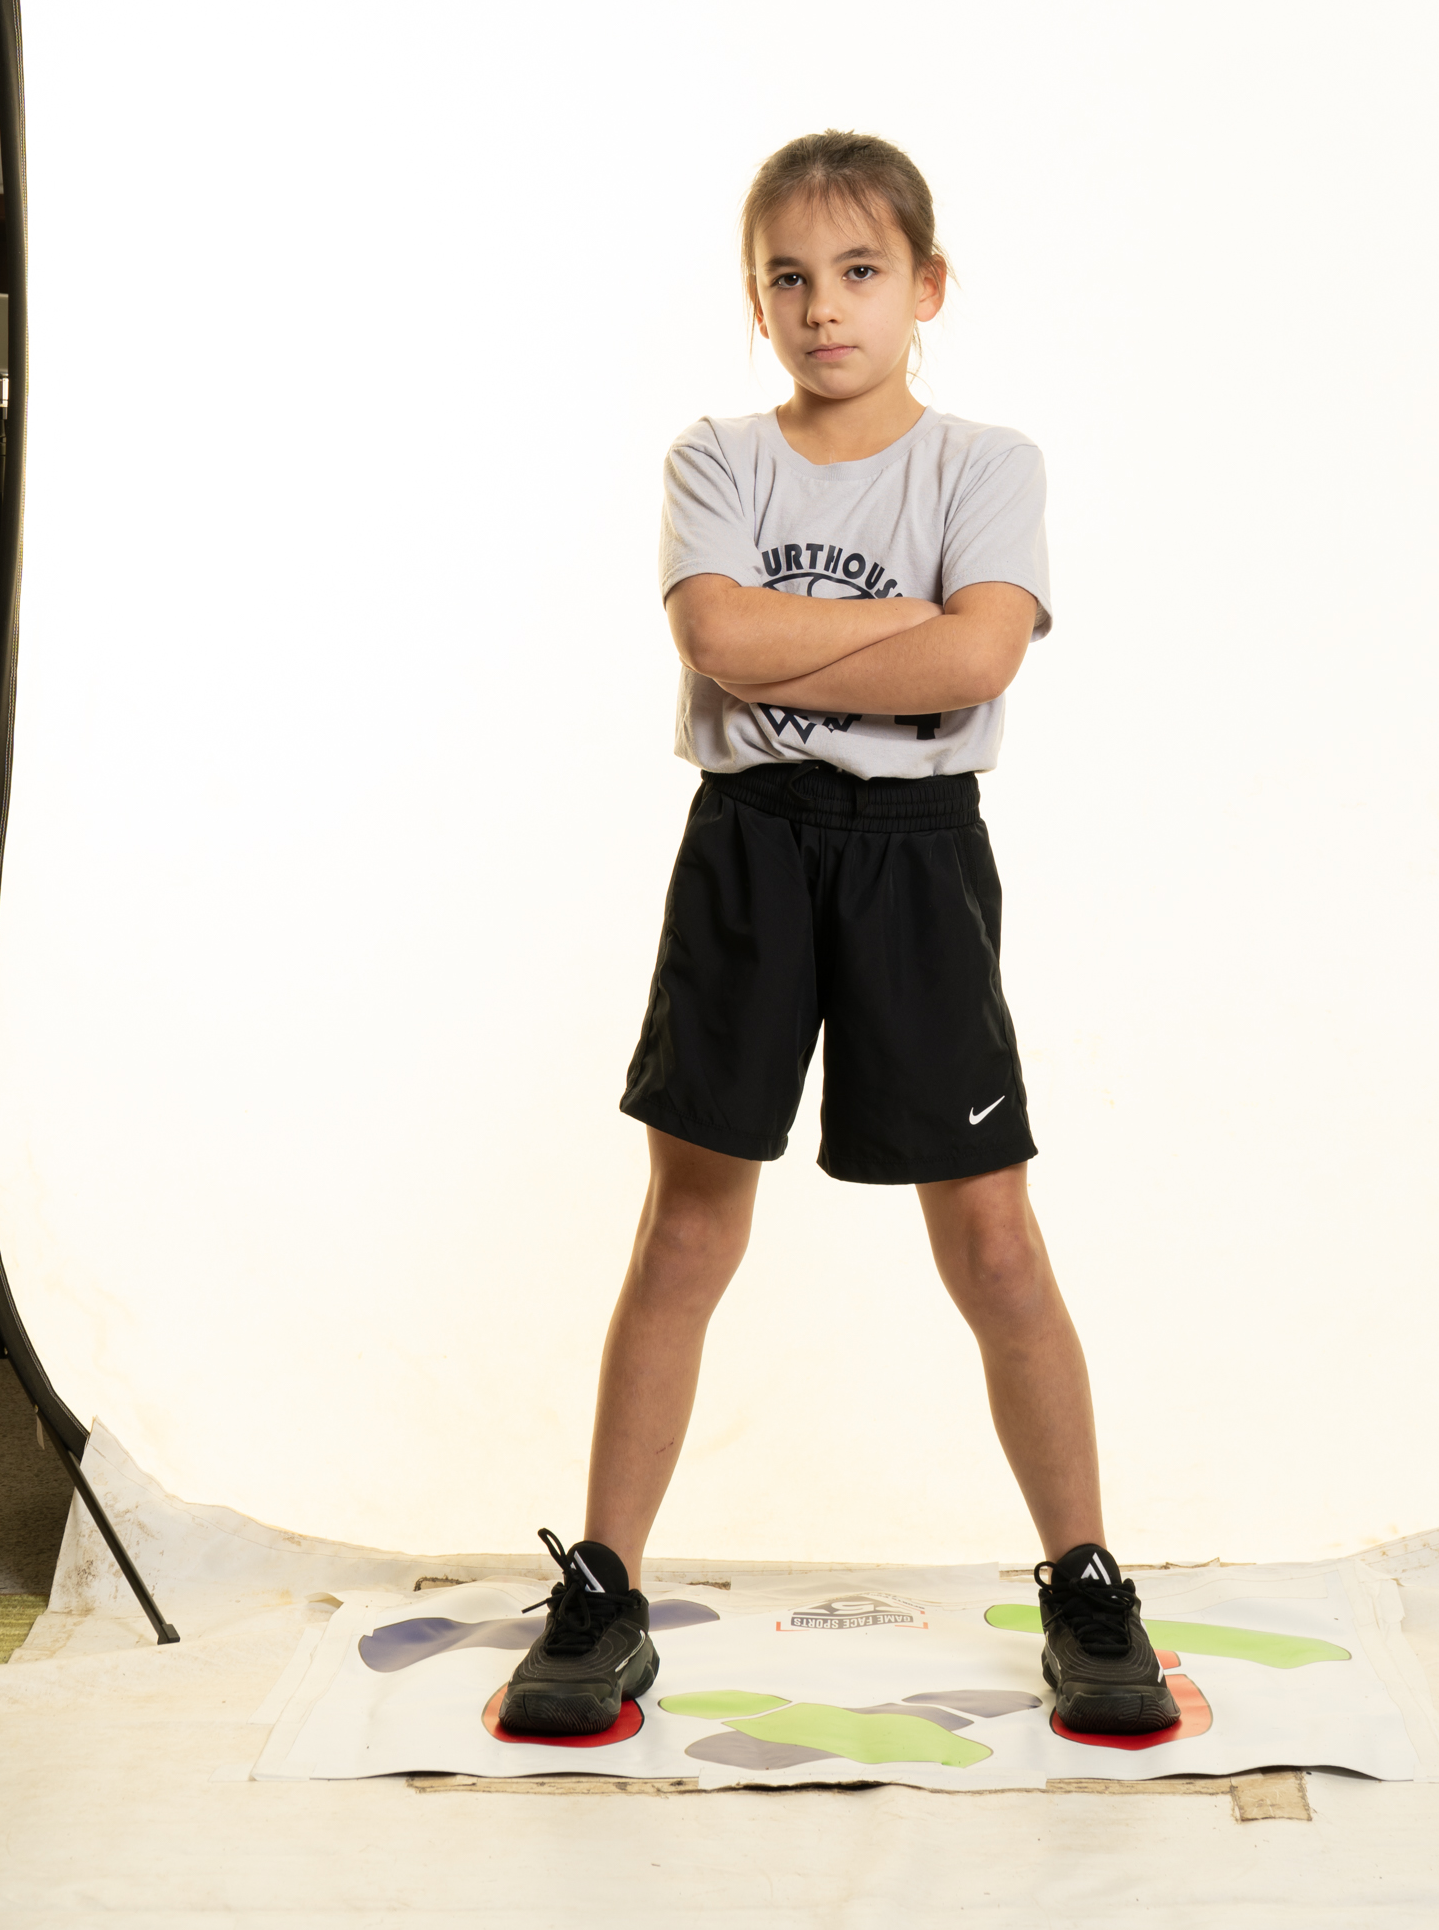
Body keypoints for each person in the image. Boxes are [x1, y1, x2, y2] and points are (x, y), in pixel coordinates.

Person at [500, 132, 1173, 1739]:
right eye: (788, 278)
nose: (823, 307)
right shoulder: (720, 455)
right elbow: (717, 636)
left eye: (859, 271)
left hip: (915, 862)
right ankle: (605, 1583)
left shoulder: (983, 462)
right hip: (747, 849)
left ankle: (1085, 1580)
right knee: (685, 1228)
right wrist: (907, 628)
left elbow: (981, 661)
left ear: (924, 287)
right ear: (755, 301)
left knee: (991, 1237)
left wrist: (842, 645)